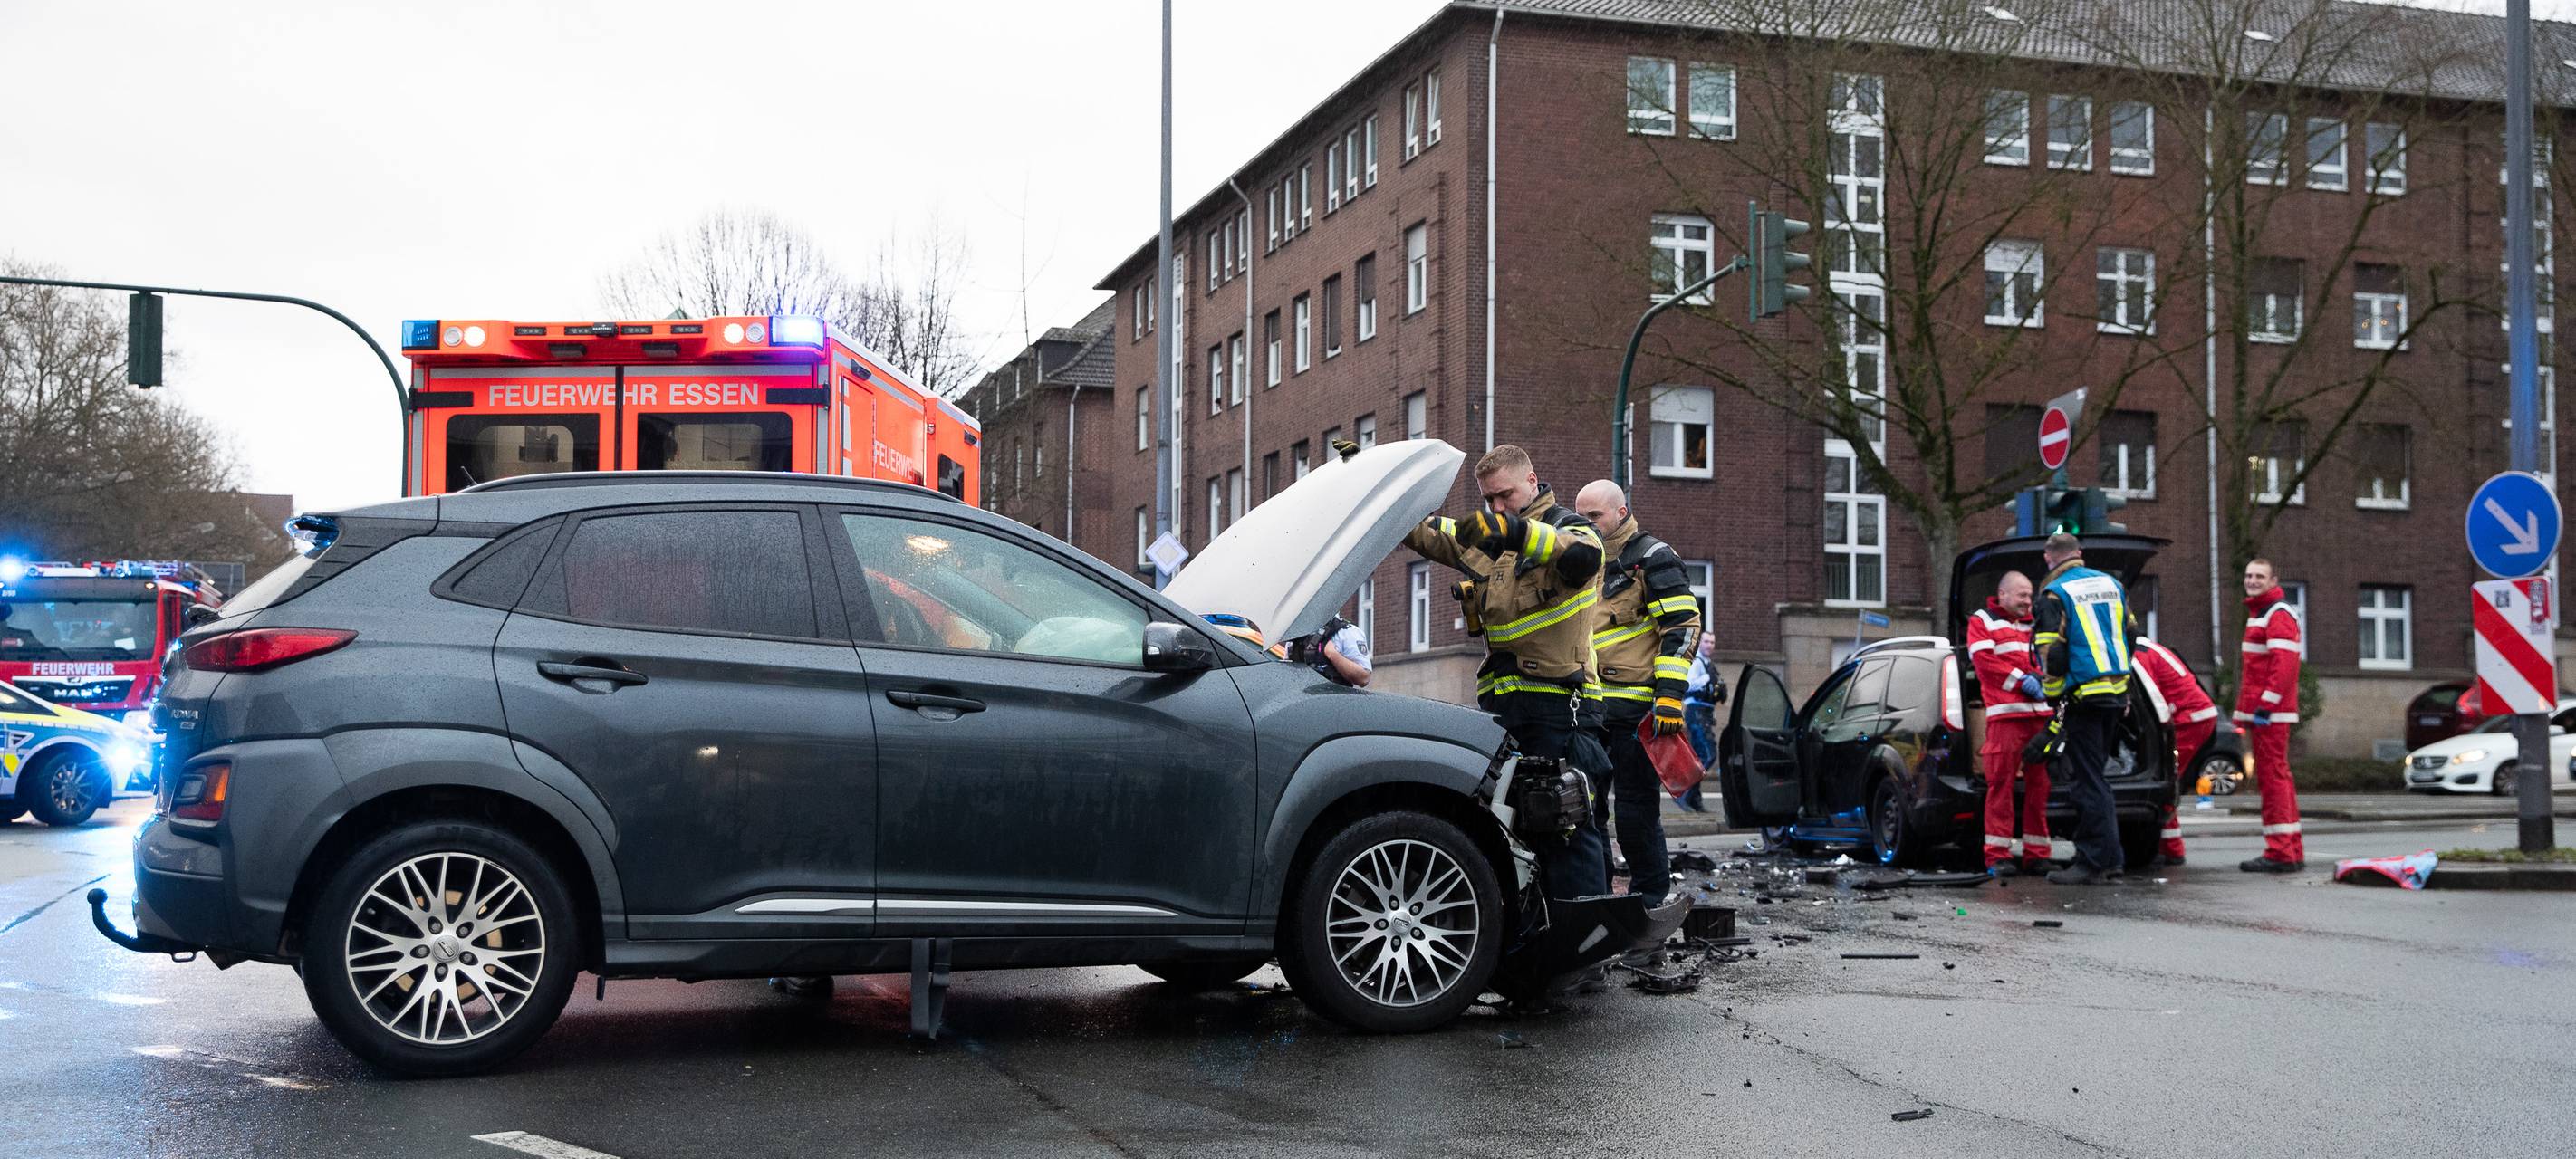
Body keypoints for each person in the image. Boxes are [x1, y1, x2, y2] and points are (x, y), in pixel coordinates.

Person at [1404, 445, 1610, 902]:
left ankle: (1586, 959)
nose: (1497, 507)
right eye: (1489, 500)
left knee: (1566, 828)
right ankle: (1539, 947)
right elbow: (1426, 533)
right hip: (1507, 709)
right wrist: (1373, 481)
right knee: (1518, 833)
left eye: (1505, 495)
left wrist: (1516, 531)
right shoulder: (1490, 536)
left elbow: (1584, 556)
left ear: (1532, 482)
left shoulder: (1565, 528)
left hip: (1561, 709)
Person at [1572, 480, 1701, 905]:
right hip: (1586, 712)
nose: (1587, 525)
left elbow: (1681, 629)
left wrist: (1668, 697)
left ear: (1621, 513)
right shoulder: (1581, 561)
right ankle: (1599, 904)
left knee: (1635, 814)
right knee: (1583, 814)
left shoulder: (1653, 559)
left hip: (1634, 714)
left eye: (1595, 516)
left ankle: (1648, 905)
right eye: (1581, 517)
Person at [2030, 532, 2133, 885]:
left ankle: (2092, 861)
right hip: (2115, 694)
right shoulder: (2113, 585)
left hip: (2083, 697)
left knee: (2087, 782)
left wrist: (2054, 699)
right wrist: (2126, 690)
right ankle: (2112, 858)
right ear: (2080, 554)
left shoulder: (2054, 594)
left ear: (2049, 557)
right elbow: (2129, 637)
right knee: (2098, 778)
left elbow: (2052, 656)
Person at [1967, 571, 2054, 876]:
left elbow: (2049, 656)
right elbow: (1984, 663)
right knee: (2000, 784)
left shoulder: (2037, 622)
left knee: (2040, 786)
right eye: (2021, 595)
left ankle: (2037, 853)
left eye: (2030, 595)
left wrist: (2046, 683)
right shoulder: (1983, 620)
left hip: (2040, 716)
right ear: (2002, 594)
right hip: (2006, 717)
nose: (2027, 601)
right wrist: (2022, 680)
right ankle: (1997, 855)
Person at [2235, 559, 2305, 873]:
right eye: (2249, 575)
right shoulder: (2262, 613)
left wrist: (2266, 705)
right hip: (2266, 711)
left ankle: (2280, 852)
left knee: (2273, 779)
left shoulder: (2276, 614)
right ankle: (2289, 849)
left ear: (2273, 580)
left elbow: (2285, 665)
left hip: (2270, 714)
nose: (2252, 581)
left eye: (2259, 576)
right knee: (2277, 777)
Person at [2132, 633, 2217, 867]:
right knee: (2168, 781)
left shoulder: (2136, 655)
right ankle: (2170, 846)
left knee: (2165, 782)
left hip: (2188, 718)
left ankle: (2171, 849)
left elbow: (2150, 698)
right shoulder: (2146, 648)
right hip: (2193, 715)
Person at [1288, 613, 1372, 687]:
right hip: (1302, 701)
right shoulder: (1297, 635)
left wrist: (1333, 655)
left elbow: (1363, 679)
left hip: (1335, 701)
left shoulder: (1347, 632)